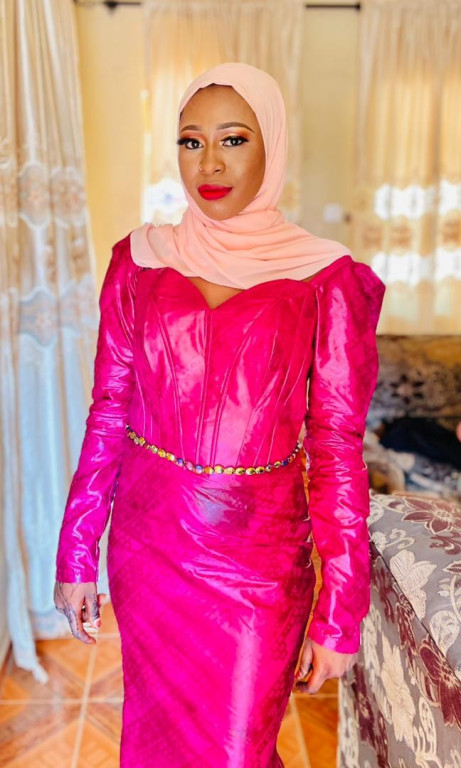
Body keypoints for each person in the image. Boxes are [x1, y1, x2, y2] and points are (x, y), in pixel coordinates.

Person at [54, 62, 385, 767]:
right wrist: (76, 551)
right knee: (154, 744)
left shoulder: (325, 276)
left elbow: (336, 447)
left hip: (257, 564)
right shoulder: (139, 261)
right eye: (190, 141)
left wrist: (340, 611)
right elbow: (108, 413)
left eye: (234, 139)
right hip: (148, 548)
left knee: (237, 750)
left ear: (272, 145)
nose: (209, 163)